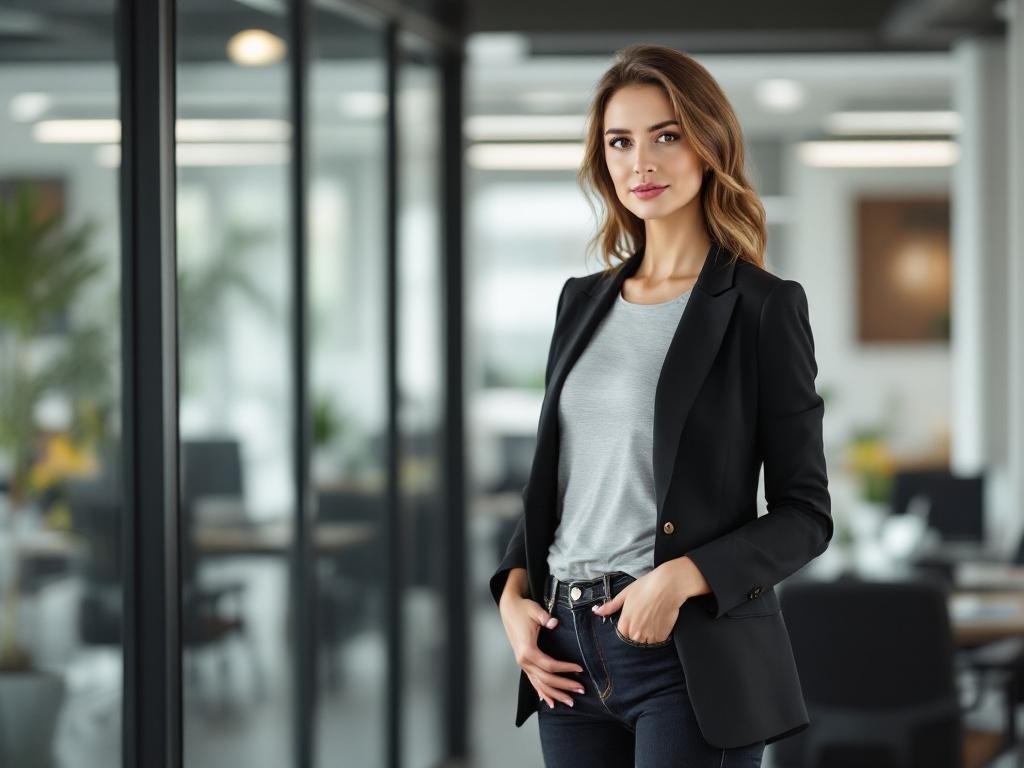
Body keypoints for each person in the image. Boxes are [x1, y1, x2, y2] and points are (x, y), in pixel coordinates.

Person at [488, 43, 833, 767]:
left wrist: (680, 579)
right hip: (564, 651)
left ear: (710, 145)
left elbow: (806, 514)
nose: (640, 162)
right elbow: (559, 481)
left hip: (686, 650)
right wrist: (513, 596)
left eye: (665, 136)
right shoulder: (580, 302)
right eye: (620, 142)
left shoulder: (763, 308)